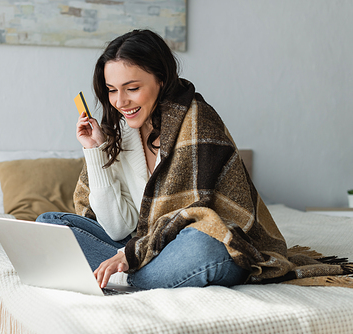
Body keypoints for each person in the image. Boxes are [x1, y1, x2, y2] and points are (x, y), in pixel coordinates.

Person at [37, 29, 290, 290]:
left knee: (203, 246)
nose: (121, 102)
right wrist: (96, 150)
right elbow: (117, 229)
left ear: (161, 79)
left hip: (200, 244)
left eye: (132, 88)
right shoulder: (120, 132)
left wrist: (128, 256)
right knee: (50, 225)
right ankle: (142, 274)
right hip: (143, 245)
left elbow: (199, 218)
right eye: (112, 90)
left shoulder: (197, 122)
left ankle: (124, 279)